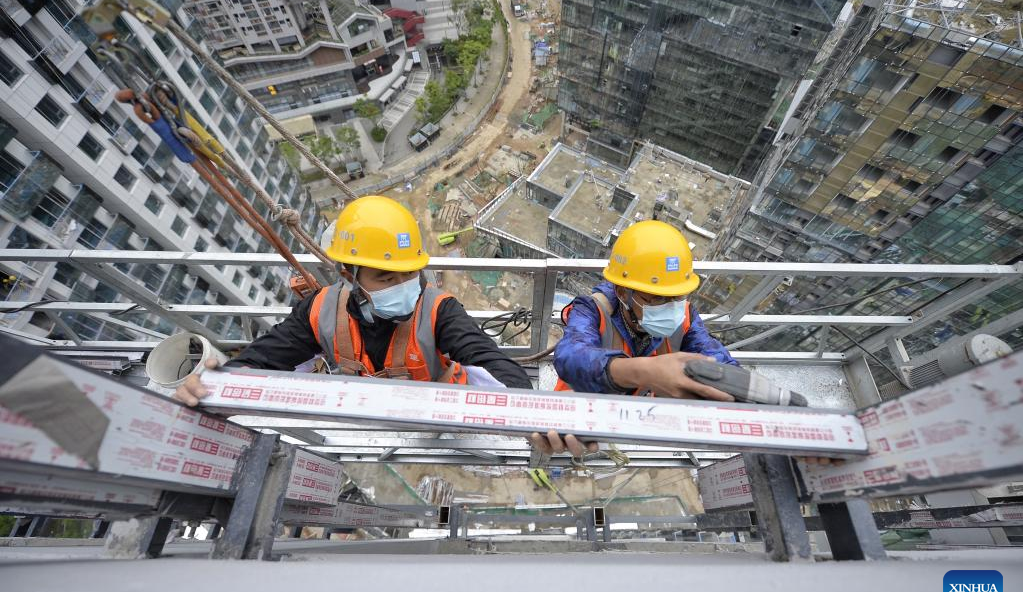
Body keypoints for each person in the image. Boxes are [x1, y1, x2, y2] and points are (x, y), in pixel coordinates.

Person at [174, 195, 531, 405]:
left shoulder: (439, 310)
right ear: (349, 275)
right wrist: (217, 386)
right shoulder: (321, 312)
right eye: (385, 277)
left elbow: (503, 371)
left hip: (435, 417)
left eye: (409, 274)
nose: (404, 285)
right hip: (365, 417)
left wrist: (527, 412)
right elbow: (263, 360)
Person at [533, 220, 736, 458]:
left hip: (636, 416)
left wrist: (739, 389)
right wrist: (642, 370)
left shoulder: (686, 317)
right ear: (622, 293)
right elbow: (571, 357)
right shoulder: (592, 310)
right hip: (578, 414)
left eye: (676, 296)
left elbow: (717, 360)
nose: (670, 307)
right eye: (656, 299)